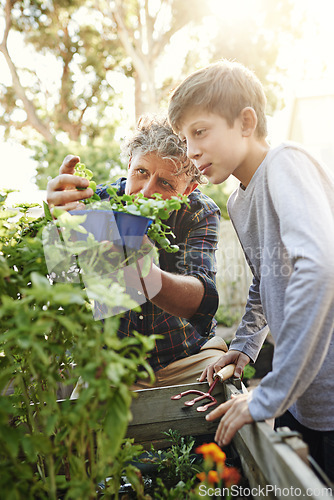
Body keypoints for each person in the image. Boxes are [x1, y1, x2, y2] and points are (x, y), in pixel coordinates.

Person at [168, 60, 334, 481]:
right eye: (184, 139)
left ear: (245, 122)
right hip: (300, 401)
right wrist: (244, 346)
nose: (191, 152)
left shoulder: (285, 162)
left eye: (199, 132)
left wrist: (269, 396)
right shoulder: (238, 202)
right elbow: (264, 279)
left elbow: (318, 268)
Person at [47, 115, 227, 390]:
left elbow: (200, 301)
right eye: (142, 172)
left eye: (165, 183)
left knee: (226, 398)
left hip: (188, 358)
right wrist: (61, 226)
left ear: (188, 189)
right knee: (79, 425)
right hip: (114, 366)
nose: (145, 192)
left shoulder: (199, 212)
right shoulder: (96, 204)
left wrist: (141, 269)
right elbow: (60, 280)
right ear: (130, 163)